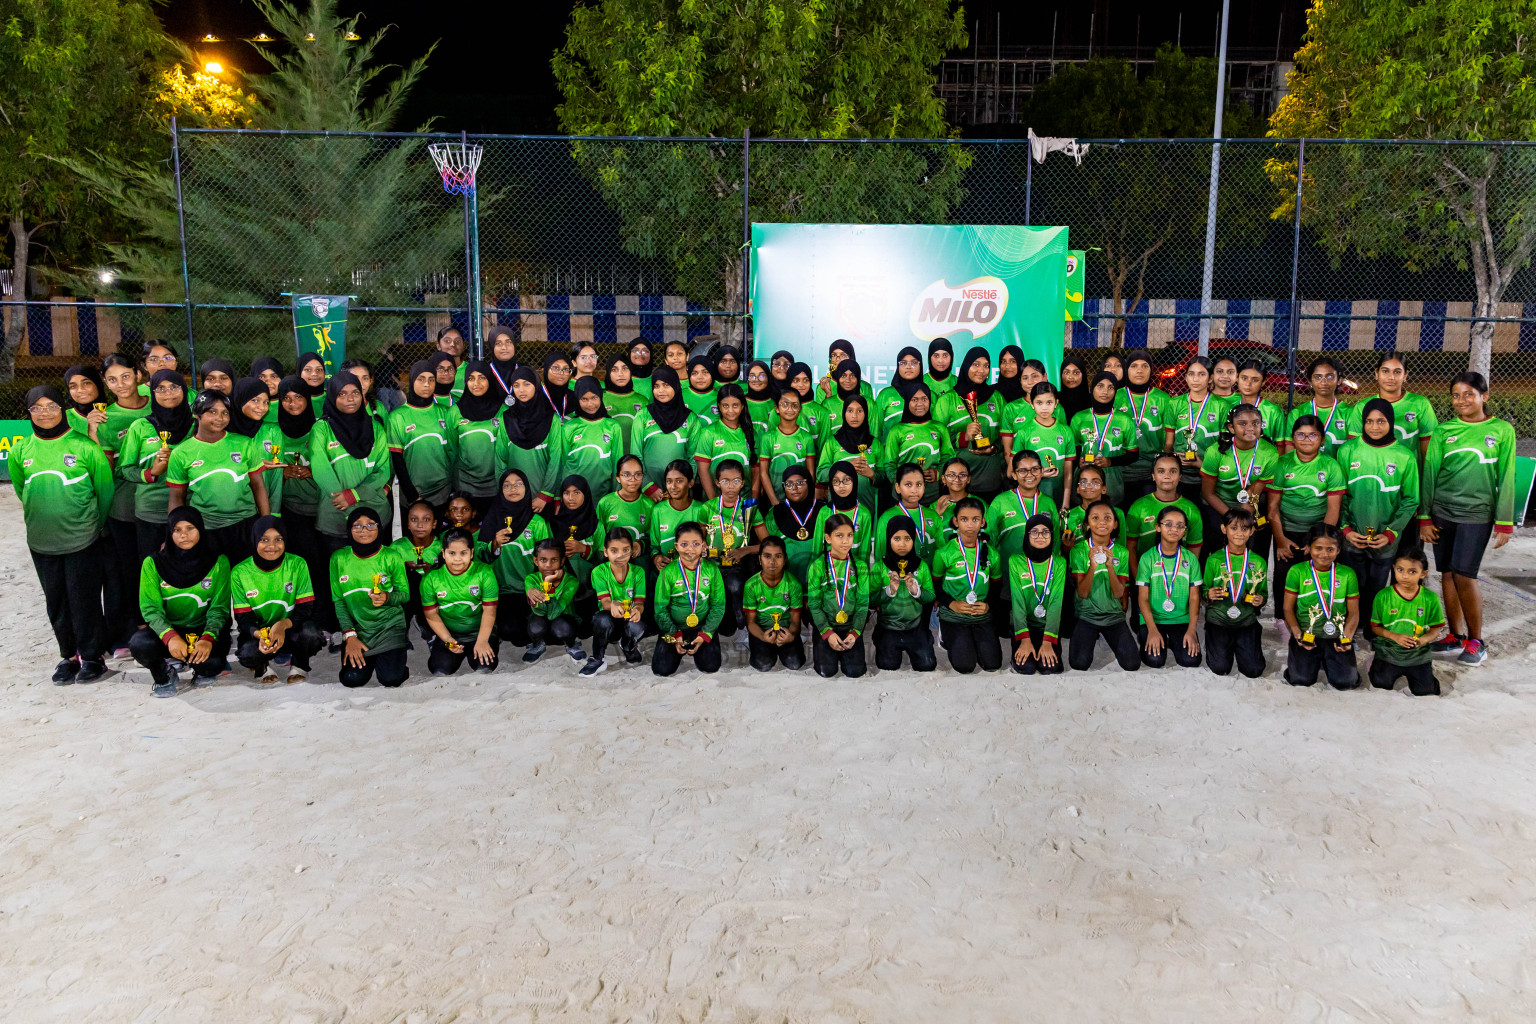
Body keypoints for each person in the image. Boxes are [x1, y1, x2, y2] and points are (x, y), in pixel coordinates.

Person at [13, 384, 115, 683]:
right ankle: (68, 655)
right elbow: (22, 490)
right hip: (42, 541)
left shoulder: (84, 447)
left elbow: (104, 492)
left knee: (83, 598)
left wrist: (92, 525)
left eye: (52, 407)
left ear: (63, 409)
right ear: (29, 412)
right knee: (56, 600)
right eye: (37, 408)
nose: (45, 413)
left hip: (81, 538)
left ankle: (93, 656)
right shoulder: (21, 449)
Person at [1417, 371, 1516, 666]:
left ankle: (1476, 640)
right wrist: (1424, 516)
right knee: (1446, 572)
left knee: (1464, 573)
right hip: (1442, 512)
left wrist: (1504, 520)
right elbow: (1430, 474)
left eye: (1469, 394)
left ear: (1484, 396)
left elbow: (1506, 475)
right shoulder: (1444, 431)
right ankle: (1455, 636)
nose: (1462, 401)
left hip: (1477, 514)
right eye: (1456, 395)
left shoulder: (1501, 430)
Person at [1337, 398, 1421, 623]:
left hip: (1385, 539)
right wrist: (1345, 529)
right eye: (1369, 421)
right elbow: (1339, 495)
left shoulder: (1404, 456)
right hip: (1352, 536)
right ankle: (1349, 627)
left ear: (1391, 422)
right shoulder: (1348, 451)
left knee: (1376, 585)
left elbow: (1411, 500)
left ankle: (1371, 627)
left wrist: (1391, 533)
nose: (1375, 427)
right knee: (1353, 585)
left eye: (1381, 421)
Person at [133, 506, 232, 695]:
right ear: (169, 533)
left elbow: (219, 608)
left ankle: (198, 664)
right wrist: (170, 637)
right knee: (140, 644)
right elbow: (150, 609)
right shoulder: (153, 563)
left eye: (190, 528)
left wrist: (207, 638)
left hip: (201, 631)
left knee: (212, 665)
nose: (184, 535)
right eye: (177, 530)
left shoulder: (218, 562)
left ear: (200, 529)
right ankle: (165, 673)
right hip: (169, 632)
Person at [165, 389, 270, 565]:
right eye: (212, 412)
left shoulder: (244, 443)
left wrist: (266, 524)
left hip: (245, 525)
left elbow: (258, 486)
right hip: (206, 528)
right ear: (196, 414)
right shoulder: (181, 453)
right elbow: (176, 497)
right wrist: (174, 533)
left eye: (225, 413)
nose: (220, 418)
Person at [120, 369, 194, 601]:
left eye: (174, 387)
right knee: (153, 570)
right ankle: (155, 626)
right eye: (160, 388)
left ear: (184, 390)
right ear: (152, 392)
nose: (168, 393)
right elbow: (123, 469)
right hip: (151, 511)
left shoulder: (196, 424)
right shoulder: (140, 427)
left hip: (190, 511)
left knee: (188, 569)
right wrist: (151, 473)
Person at [1267, 415, 1345, 625]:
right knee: (1284, 574)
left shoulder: (1331, 466)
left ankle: (1316, 618)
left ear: (1322, 439)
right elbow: (1272, 509)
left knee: (1316, 575)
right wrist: (1281, 540)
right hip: (1287, 531)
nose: (1306, 439)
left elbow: (1333, 509)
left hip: (1318, 532)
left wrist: (1319, 543)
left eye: (1313, 435)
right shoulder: (1281, 464)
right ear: (1292, 438)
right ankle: (1282, 620)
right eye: (1300, 434)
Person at [232, 515, 322, 684]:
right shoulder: (240, 572)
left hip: (289, 630)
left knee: (312, 633)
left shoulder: (297, 564)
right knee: (247, 652)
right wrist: (260, 635)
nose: (272, 546)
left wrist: (282, 625)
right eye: (264, 540)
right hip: (261, 636)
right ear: (254, 540)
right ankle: (262, 668)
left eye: (278, 539)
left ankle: (299, 666)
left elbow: (306, 608)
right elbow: (243, 618)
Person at [331, 506, 410, 688]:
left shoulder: (391, 556)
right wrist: (349, 635)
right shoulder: (339, 558)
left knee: (391, 679)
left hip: (389, 628)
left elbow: (405, 595)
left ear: (379, 528)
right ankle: (371, 657)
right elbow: (339, 601)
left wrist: (387, 598)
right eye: (357, 526)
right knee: (351, 680)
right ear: (349, 529)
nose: (364, 530)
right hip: (359, 631)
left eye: (370, 525)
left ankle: (393, 659)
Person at [310, 373, 392, 549]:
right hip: (337, 516)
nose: (350, 399)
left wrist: (354, 495)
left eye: (355, 393)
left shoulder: (375, 427)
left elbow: (383, 469)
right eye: (342, 394)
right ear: (332, 397)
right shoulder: (321, 429)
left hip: (374, 516)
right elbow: (321, 470)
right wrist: (343, 500)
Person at [1282, 523, 1360, 689]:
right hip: (1306, 634)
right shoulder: (1297, 571)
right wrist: (1297, 634)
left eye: (1330, 549)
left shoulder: (1347, 574)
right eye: (1318, 548)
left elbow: (1354, 612)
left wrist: (1347, 638)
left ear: (1338, 550)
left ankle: (1328, 660)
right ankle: (1307, 657)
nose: (1324, 554)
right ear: (1309, 548)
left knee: (1346, 682)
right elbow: (1288, 608)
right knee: (1300, 679)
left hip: (1336, 636)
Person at [478, 469, 549, 647]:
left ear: (526, 488)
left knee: (539, 631)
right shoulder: (492, 519)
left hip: (530, 589)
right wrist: (493, 544)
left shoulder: (537, 522)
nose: (513, 489)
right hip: (503, 591)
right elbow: (479, 555)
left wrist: (537, 587)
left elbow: (547, 560)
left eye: (518, 484)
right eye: (507, 485)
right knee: (511, 631)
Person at [1067, 499, 1139, 672]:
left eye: (1108, 518)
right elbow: (1083, 593)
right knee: (1079, 663)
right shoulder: (1078, 551)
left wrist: (1109, 567)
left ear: (1115, 524)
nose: (1101, 522)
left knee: (1132, 664)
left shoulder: (1121, 552)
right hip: (1086, 615)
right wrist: (1092, 566)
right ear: (1087, 524)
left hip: (1113, 616)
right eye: (1095, 518)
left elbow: (1118, 593)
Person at [933, 497, 1002, 674]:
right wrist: (951, 603)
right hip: (954, 614)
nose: (970, 525)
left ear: (983, 521)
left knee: (992, 664)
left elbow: (996, 587)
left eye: (975, 519)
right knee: (965, 666)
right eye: (964, 519)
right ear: (956, 521)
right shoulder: (944, 553)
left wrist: (988, 606)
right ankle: (945, 634)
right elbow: (935, 586)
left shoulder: (992, 554)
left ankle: (972, 637)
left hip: (981, 615)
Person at [1200, 403, 1279, 557]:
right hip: (1218, 504)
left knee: (1250, 538)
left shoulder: (1270, 452)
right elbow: (1208, 493)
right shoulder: (1215, 452)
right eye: (1242, 423)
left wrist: (1243, 518)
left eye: (1255, 423)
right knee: (1220, 545)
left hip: (1248, 504)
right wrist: (1233, 518)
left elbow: (1255, 491)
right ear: (1231, 428)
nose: (1250, 428)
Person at [421, 527, 500, 676]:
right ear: (443, 553)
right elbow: (431, 615)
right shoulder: (431, 579)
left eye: (463, 553)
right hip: (451, 634)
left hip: (479, 632)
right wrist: (447, 639)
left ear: (471, 553)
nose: (457, 558)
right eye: (452, 553)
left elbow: (490, 611)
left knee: (485, 667)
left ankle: (491, 641)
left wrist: (482, 641)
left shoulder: (485, 573)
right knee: (439, 669)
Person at [1369, 548, 1447, 696]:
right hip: (1389, 650)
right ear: (1394, 569)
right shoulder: (1383, 596)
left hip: (1417, 654)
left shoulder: (1430, 598)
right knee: (1381, 683)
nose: (1405, 575)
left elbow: (1436, 629)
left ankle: (1425, 674)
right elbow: (1375, 628)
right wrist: (1394, 636)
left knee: (1425, 691)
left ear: (1423, 573)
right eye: (1400, 570)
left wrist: (1422, 640)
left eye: (1412, 571)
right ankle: (1375, 663)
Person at [652, 521, 726, 676]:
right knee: (662, 670)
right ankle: (672, 637)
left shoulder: (712, 570)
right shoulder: (667, 572)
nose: (690, 549)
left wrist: (705, 633)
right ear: (676, 546)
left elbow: (718, 606)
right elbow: (660, 609)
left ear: (703, 545)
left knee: (710, 666)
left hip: (702, 626)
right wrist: (674, 634)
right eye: (684, 544)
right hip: (674, 627)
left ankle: (704, 638)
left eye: (696, 544)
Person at [1203, 508, 1269, 678]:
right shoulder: (1214, 560)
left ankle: (1243, 641)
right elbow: (1203, 589)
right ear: (1224, 529)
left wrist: (1260, 600)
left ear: (1252, 531)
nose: (1239, 533)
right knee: (1220, 667)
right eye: (1234, 528)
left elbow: (1263, 593)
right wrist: (1208, 594)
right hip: (1218, 619)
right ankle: (1217, 640)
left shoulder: (1258, 561)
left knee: (1253, 670)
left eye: (1245, 528)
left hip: (1245, 620)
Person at [700, 459, 762, 641]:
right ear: (717, 483)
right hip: (712, 566)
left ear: (743, 483)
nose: (730, 486)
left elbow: (767, 545)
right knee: (724, 628)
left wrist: (745, 550)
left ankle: (744, 629)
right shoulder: (707, 508)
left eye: (736, 481)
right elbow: (698, 538)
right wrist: (702, 546)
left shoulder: (749, 508)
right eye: (725, 481)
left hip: (738, 566)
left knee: (735, 585)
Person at [389, 361, 457, 523]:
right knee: (415, 544)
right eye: (421, 379)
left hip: (443, 492)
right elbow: (397, 460)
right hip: (414, 493)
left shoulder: (445, 412)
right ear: (412, 381)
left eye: (431, 379)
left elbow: (453, 452)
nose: (426, 384)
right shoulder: (398, 417)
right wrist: (412, 495)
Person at [1134, 507, 1202, 668]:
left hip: (1180, 619)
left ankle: (1172, 639)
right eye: (1168, 524)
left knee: (1190, 661)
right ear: (1158, 527)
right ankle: (1145, 635)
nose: (1174, 529)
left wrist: (1192, 630)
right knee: (1155, 661)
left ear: (1185, 531)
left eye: (1180, 526)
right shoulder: (1147, 558)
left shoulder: (1190, 559)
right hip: (1154, 619)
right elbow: (1142, 598)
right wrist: (1151, 629)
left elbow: (1194, 598)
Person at [934, 346, 1006, 497]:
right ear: (966, 366)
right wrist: (963, 437)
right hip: (956, 481)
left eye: (986, 365)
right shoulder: (947, 400)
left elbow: (1006, 435)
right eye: (976, 364)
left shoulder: (997, 398)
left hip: (988, 478)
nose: (981, 370)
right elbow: (935, 438)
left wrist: (994, 448)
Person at [808, 514, 870, 678]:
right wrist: (827, 632)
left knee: (855, 672)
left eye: (849, 535)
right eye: (839, 536)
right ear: (828, 538)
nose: (845, 541)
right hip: (827, 626)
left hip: (850, 627)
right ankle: (822, 641)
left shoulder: (861, 567)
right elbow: (814, 604)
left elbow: (863, 604)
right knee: (826, 671)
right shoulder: (817, 566)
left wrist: (855, 632)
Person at [1345, 353, 1437, 458]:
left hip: (1408, 472)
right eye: (1385, 371)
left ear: (1405, 375)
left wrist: (1426, 474)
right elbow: (1354, 449)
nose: (1391, 377)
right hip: (1373, 472)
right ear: (1376, 373)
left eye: (1397, 372)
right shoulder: (1362, 407)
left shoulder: (1420, 404)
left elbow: (1429, 451)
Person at [1069, 371, 1139, 507]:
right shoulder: (1079, 418)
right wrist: (1079, 462)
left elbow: (1133, 455)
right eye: (1100, 386)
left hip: (1112, 485)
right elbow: (1072, 453)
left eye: (1110, 387)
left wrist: (1110, 461)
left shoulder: (1124, 420)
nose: (1105, 391)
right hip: (1084, 487)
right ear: (1092, 388)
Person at [499, 366, 563, 512]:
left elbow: (556, 459)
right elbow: (500, 460)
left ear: (536, 385)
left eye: (527, 384)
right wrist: (505, 492)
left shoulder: (550, 418)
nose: (521, 390)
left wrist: (545, 495)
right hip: (513, 497)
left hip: (542, 500)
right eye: (516, 385)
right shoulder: (506, 418)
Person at [1000, 381, 1076, 505]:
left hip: (1059, 498)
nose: (1044, 407)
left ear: (1056, 403)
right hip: (1030, 500)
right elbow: (1010, 472)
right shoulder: (1023, 433)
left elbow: (1068, 472)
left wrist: (1066, 503)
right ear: (1032, 404)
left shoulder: (1066, 432)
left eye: (1049, 402)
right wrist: (1038, 474)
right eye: (1039, 402)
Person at [1007, 514, 1065, 675]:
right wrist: (1025, 640)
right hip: (1023, 626)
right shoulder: (1015, 561)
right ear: (1027, 536)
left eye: (1045, 532)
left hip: (1047, 627)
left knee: (1050, 668)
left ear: (1052, 536)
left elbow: (1055, 603)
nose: (1040, 536)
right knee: (1027, 668)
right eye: (1034, 532)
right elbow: (1017, 603)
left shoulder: (1059, 562)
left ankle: (1044, 643)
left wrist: (1047, 642)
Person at [1162, 357, 1225, 502]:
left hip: (1208, 474)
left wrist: (1200, 463)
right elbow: (1169, 443)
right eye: (1191, 374)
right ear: (1185, 377)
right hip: (1181, 475)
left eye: (1202, 374)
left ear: (1211, 379)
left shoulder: (1221, 406)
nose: (1195, 379)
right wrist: (1173, 458)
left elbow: (1224, 448)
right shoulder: (1174, 403)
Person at [1126, 454, 1203, 571]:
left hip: (1178, 576)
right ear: (1153, 476)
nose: (1167, 476)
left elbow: (1194, 551)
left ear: (1180, 476)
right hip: (1145, 575)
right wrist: (1140, 579)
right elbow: (1130, 548)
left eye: (1173, 471)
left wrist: (1184, 579)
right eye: (1161, 471)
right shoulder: (1138, 507)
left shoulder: (1191, 510)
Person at [585, 528, 647, 674]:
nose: (620, 556)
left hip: (628, 618)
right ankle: (597, 658)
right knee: (601, 619)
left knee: (639, 626)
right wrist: (613, 604)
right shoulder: (599, 572)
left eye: (625, 550)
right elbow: (605, 601)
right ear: (605, 552)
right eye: (614, 551)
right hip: (609, 618)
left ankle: (628, 646)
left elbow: (639, 602)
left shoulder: (638, 572)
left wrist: (637, 610)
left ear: (632, 551)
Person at [878, 382, 952, 504]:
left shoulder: (940, 428)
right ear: (907, 402)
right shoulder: (897, 430)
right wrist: (904, 481)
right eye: (914, 399)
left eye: (924, 399)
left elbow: (948, 458)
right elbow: (889, 465)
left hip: (933, 496)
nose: (920, 404)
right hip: (902, 498)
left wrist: (938, 473)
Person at [1115, 351, 1172, 505]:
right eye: (1134, 366)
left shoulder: (1163, 399)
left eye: (1144, 366)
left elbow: (1169, 439)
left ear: (1151, 370)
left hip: (1150, 472)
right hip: (1121, 471)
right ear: (1127, 369)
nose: (1139, 370)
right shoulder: (1116, 396)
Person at [452, 360, 506, 521]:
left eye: (482, 377)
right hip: (465, 486)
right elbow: (451, 449)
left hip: (495, 486)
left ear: (490, 379)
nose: (476, 383)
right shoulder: (455, 411)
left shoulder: (502, 409)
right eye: (471, 378)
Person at [744, 535, 807, 671]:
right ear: (759, 559)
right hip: (762, 631)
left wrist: (790, 635)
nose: (772, 562)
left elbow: (796, 622)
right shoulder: (751, 585)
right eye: (767, 556)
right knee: (763, 664)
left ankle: (795, 642)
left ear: (784, 559)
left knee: (795, 664)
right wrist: (762, 636)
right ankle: (754, 644)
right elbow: (751, 622)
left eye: (778, 556)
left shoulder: (793, 584)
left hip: (786, 630)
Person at [987, 449, 1059, 565]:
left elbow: (1055, 541)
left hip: (1042, 572)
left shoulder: (1048, 503)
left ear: (1041, 471)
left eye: (1034, 469)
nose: (1029, 475)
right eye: (1022, 471)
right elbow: (989, 540)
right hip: (1007, 570)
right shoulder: (1000, 502)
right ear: (1014, 475)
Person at [631, 366, 693, 500]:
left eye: (666, 385)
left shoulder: (691, 419)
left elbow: (693, 458)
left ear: (675, 386)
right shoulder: (642, 416)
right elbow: (636, 454)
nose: (661, 391)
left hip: (680, 492)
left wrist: (681, 485)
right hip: (648, 491)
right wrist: (647, 485)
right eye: (656, 386)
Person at [228, 376, 285, 515]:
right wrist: (253, 465)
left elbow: (276, 477)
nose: (262, 407)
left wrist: (274, 515)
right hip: (231, 512)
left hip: (263, 511)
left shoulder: (272, 431)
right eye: (255, 400)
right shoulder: (224, 433)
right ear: (240, 399)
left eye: (266, 402)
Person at [646, 460, 707, 590]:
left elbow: (705, 544)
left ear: (690, 483)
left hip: (694, 573)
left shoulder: (701, 509)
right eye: (669, 481)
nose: (673, 486)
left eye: (679, 481)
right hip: (666, 573)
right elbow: (653, 546)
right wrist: (656, 557)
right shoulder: (659, 510)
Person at [559, 377, 621, 503]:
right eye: (584, 399)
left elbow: (617, 465)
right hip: (574, 498)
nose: (590, 404)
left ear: (600, 397)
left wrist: (616, 496)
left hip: (603, 495)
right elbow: (563, 464)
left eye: (594, 398)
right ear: (577, 399)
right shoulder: (569, 428)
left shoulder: (613, 426)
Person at [523, 538, 583, 663]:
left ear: (562, 561)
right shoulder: (531, 579)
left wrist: (547, 584)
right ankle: (538, 644)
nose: (548, 565)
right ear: (535, 561)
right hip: (543, 622)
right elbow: (540, 611)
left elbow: (554, 613)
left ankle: (571, 644)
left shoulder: (571, 581)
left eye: (554, 560)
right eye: (543, 560)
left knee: (561, 627)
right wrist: (531, 592)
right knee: (535, 626)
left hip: (563, 623)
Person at [764, 463, 824, 584]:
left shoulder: (824, 511)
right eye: (788, 484)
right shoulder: (775, 513)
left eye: (800, 483)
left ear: (809, 484)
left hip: (819, 583)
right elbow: (769, 550)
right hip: (787, 585)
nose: (794, 488)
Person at [391, 499, 443, 638]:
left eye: (426, 520)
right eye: (414, 519)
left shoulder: (441, 546)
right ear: (407, 524)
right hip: (406, 596)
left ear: (434, 524)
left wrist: (432, 571)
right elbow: (387, 578)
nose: (420, 525)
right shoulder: (397, 548)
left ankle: (426, 625)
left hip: (432, 595)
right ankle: (402, 631)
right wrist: (403, 570)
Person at [691, 383, 754, 499]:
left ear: (743, 406)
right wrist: (714, 501)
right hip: (716, 499)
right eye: (725, 406)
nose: (730, 410)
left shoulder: (750, 432)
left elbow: (755, 468)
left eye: (735, 405)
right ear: (719, 406)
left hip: (744, 499)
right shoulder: (708, 433)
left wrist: (753, 499)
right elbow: (702, 470)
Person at [873, 463, 939, 569]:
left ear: (924, 486)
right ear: (898, 487)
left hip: (929, 579)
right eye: (908, 484)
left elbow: (940, 551)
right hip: (897, 580)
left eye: (919, 484)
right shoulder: (887, 518)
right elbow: (880, 554)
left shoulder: (933, 516)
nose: (914, 490)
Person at [550, 475, 600, 611]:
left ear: (586, 494)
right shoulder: (553, 524)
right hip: (561, 592)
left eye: (577, 492)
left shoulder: (595, 524)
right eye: (566, 493)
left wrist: (584, 549)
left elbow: (605, 558)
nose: (571, 498)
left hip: (592, 593)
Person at [760, 386, 817, 504]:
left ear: (800, 408)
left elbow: (810, 472)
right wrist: (774, 502)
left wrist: (806, 497)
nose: (790, 409)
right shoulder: (768, 438)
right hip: (775, 500)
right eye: (785, 404)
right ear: (777, 408)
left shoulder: (806, 438)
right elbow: (763, 473)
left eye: (795, 405)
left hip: (801, 500)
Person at [812, 461, 875, 567]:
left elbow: (864, 552)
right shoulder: (824, 512)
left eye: (846, 480)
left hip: (853, 572)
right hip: (828, 572)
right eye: (836, 481)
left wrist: (860, 575)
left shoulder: (864, 514)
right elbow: (817, 548)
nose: (841, 485)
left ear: (854, 481)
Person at [1285, 357, 1351, 457]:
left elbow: (1353, 450)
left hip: (1337, 471)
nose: (1323, 382)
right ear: (1310, 382)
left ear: (1339, 380)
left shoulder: (1349, 413)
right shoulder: (1297, 413)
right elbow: (1289, 451)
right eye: (1317, 377)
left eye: (1329, 377)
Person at [1060, 464, 1126, 552]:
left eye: (1095, 482)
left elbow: (1122, 550)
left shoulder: (1117, 513)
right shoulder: (1068, 516)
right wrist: (1067, 548)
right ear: (1078, 489)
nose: (1089, 485)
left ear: (1104, 489)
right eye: (1083, 482)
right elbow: (1063, 553)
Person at [596, 454, 652, 554]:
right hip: (612, 563)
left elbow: (653, 538)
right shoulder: (605, 503)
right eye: (626, 474)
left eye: (638, 474)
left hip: (641, 564)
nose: (633, 479)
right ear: (618, 477)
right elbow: (598, 538)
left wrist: (640, 545)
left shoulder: (649, 505)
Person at [875, 346, 927, 439]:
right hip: (888, 452)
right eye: (903, 363)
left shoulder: (930, 396)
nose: (908, 366)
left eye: (914, 362)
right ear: (898, 366)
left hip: (921, 453)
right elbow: (875, 431)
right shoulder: (885, 395)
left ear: (921, 365)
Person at [602, 354, 646, 452]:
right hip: (607, 461)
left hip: (635, 460)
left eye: (625, 368)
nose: (620, 374)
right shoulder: (600, 398)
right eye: (614, 370)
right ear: (608, 373)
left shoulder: (642, 401)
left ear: (631, 371)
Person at [1234, 360, 1286, 443]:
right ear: (1237, 378)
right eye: (1244, 378)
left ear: (1263, 383)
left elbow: (1280, 445)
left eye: (1255, 380)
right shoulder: (1229, 406)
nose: (1248, 383)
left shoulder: (1273, 411)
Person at [743, 359, 777, 438]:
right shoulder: (740, 402)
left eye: (761, 376)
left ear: (768, 377)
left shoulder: (776, 404)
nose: (757, 379)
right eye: (752, 376)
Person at [683, 354, 720, 423]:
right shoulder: (680, 396)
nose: (700, 377)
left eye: (705, 372)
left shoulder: (721, 397)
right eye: (694, 373)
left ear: (712, 374)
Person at [1057, 354, 1091, 422]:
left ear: (1083, 375)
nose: (1071, 377)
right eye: (1066, 373)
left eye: (1076, 373)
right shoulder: (1055, 399)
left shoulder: (1092, 401)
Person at [541, 351, 574, 418]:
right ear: (546, 370)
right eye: (556, 368)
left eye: (565, 369)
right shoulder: (536, 397)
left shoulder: (574, 398)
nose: (561, 373)